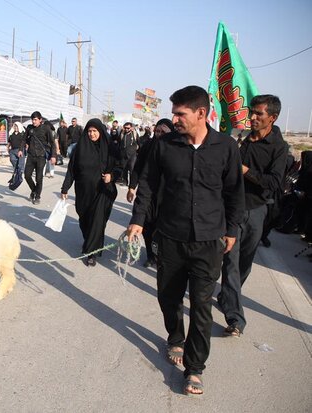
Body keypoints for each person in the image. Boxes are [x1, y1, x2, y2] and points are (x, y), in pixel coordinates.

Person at [127, 86, 244, 396]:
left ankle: (195, 368)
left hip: (209, 241)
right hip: (170, 237)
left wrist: (232, 230)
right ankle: (175, 337)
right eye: (174, 113)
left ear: (201, 114)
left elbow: (234, 193)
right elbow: (148, 184)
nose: (175, 119)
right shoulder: (163, 146)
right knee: (168, 297)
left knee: (202, 305)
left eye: (181, 113)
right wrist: (138, 220)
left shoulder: (226, 147)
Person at [218, 94, 288, 337]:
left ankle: (227, 295)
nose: (253, 117)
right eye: (252, 112)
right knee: (231, 262)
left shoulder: (279, 148)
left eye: (259, 114)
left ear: (273, 117)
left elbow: (274, 183)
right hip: (232, 210)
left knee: (244, 264)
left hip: (256, 210)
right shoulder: (240, 139)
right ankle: (235, 319)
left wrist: (245, 170)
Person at [61, 119, 117, 266]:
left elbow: (120, 167)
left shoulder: (109, 147)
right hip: (83, 191)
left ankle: (91, 252)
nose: (92, 134)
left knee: (97, 221)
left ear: (100, 131)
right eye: (89, 131)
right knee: (85, 220)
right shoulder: (80, 148)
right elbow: (71, 170)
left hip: (102, 192)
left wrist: (112, 176)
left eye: (95, 131)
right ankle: (90, 241)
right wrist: (65, 188)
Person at [126, 118, 174, 268]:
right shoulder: (148, 146)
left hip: (166, 197)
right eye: (157, 131)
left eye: (163, 132)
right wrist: (132, 187)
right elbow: (138, 168)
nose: (159, 134)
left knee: (162, 231)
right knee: (146, 228)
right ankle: (151, 256)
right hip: (148, 195)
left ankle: (161, 256)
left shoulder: (176, 149)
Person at [24, 111, 56, 205]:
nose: (33, 122)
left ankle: (37, 196)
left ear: (40, 120)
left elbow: (52, 143)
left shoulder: (46, 128)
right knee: (27, 175)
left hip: (41, 157)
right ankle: (34, 190)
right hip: (30, 155)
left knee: (39, 178)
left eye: (35, 119)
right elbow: (24, 139)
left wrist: (53, 156)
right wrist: (21, 149)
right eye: (32, 120)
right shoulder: (30, 128)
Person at [120, 122, 139, 186]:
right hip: (124, 155)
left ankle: (132, 183)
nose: (126, 129)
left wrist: (137, 148)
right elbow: (119, 142)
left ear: (131, 128)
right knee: (124, 168)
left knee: (131, 169)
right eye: (125, 128)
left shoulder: (134, 134)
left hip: (132, 155)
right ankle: (125, 181)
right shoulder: (122, 134)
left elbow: (139, 142)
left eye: (128, 128)